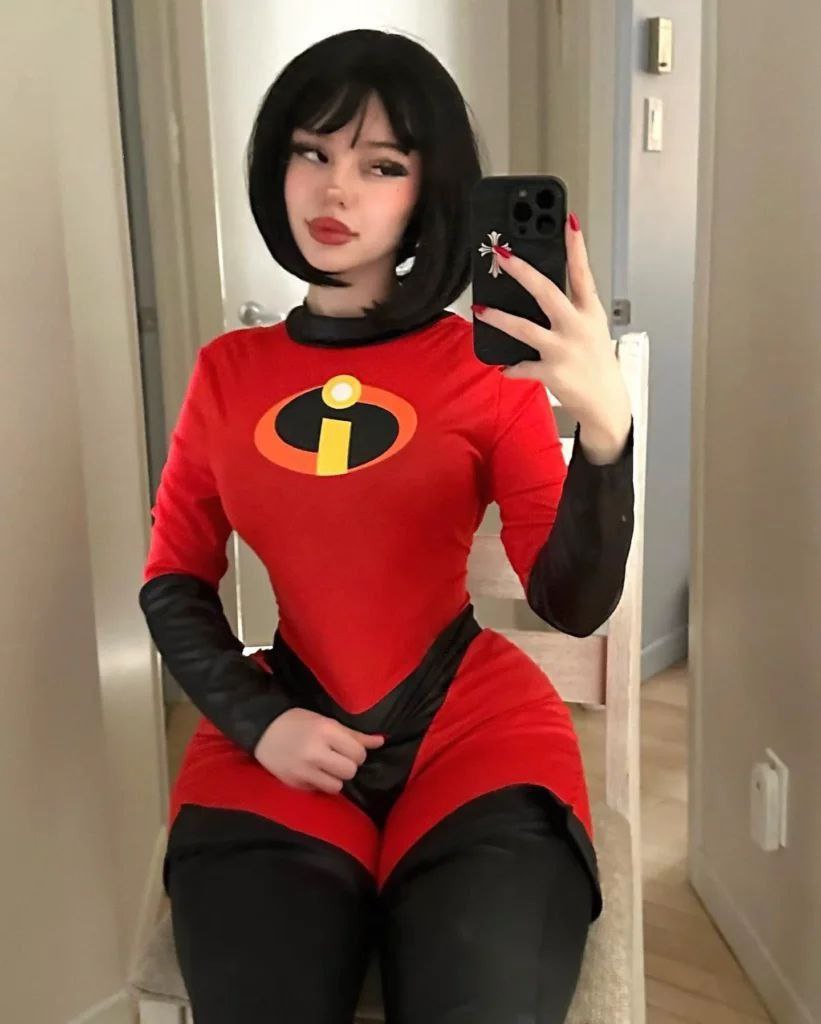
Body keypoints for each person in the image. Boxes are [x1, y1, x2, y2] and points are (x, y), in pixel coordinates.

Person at [138, 28, 635, 1024]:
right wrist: (258, 720)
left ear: (425, 192)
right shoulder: (226, 372)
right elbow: (173, 580)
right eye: (311, 152)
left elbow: (571, 604)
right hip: (284, 730)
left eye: (381, 165)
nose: (335, 190)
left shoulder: (488, 371)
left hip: (476, 735)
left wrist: (604, 434)